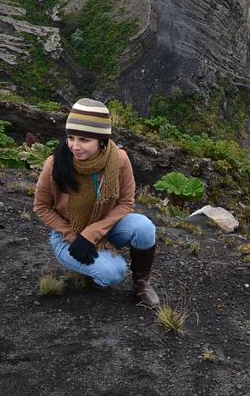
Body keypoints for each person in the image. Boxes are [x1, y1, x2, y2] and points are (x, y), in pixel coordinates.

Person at [33, 98, 160, 307]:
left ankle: (142, 284)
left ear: (102, 140)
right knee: (113, 273)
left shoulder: (119, 160)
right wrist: (74, 237)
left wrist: (92, 234)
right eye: (71, 137)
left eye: (84, 140)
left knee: (144, 227)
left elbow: (126, 202)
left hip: (105, 227)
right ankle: (87, 272)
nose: (75, 146)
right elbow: (42, 207)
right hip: (68, 237)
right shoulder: (55, 164)